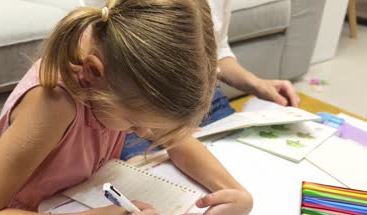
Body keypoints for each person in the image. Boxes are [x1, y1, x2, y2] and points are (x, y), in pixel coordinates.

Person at [0, 1, 253, 215]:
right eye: (134, 124)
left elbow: (176, 140)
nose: (144, 132)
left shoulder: (115, 77)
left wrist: (237, 194)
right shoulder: (54, 103)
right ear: (92, 73)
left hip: (75, 208)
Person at [115, 0, 301, 161]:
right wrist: (170, 131)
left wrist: (257, 84)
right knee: (150, 175)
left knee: (246, 156)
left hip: (202, 97)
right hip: (137, 104)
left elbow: (217, 52)